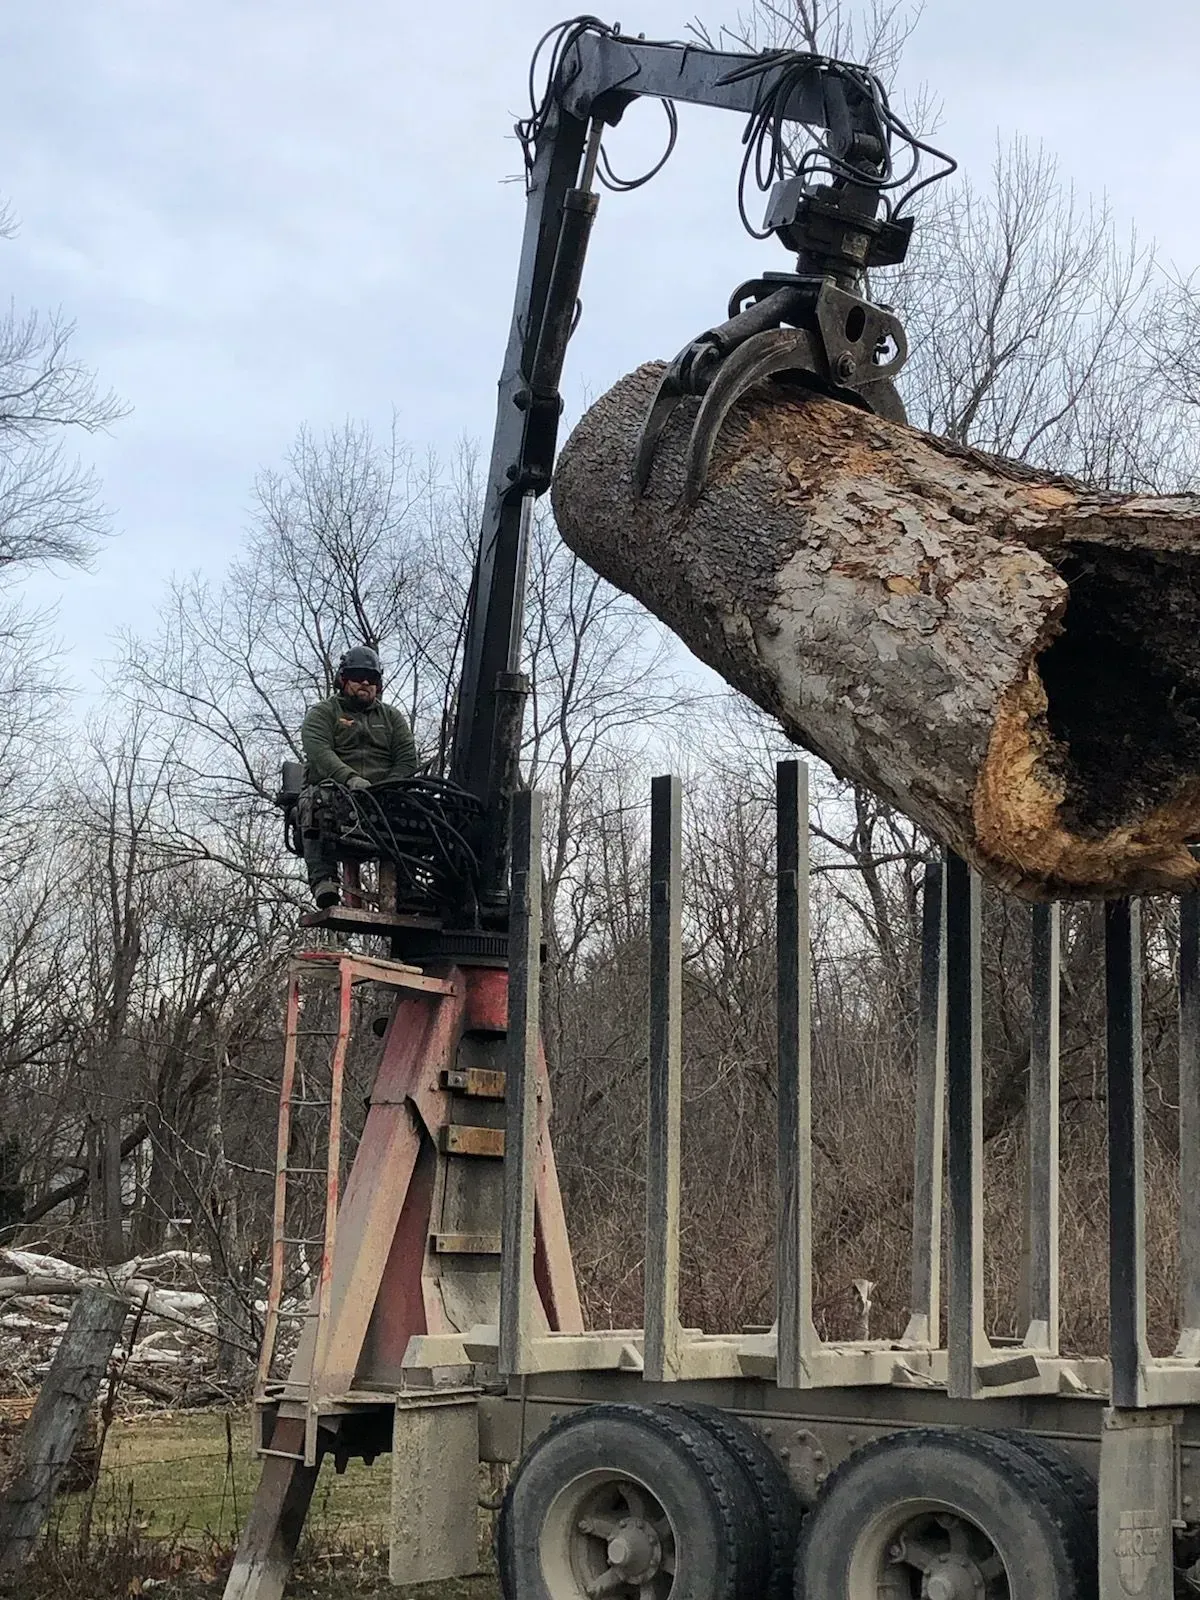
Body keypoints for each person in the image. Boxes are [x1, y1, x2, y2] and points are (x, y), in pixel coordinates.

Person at [298, 645, 418, 908]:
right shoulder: (324, 713)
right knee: (312, 801)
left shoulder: (391, 718)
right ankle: (324, 882)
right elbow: (319, 752)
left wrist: (388, 788)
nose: (365, 682)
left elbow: (408, 758)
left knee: (420, 811)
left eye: (372, 678)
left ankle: (408, 888)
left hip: (383, 796)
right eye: (358, 675)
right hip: (335, 792)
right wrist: (350, 779)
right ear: (343, 679)